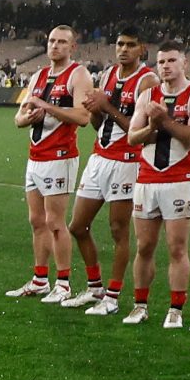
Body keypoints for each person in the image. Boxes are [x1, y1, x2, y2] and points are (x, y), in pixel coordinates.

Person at [122, 45, 190, 329]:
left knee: (176, 248)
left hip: (179, 180)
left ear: (185, 62)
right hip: (147, 180)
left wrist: (164, 121)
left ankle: (175, 308)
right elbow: (133, 138)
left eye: (172, 60)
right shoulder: (147, 95)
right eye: (161, 62)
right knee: (144, 246)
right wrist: (152, 128)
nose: (166, 66)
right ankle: (140, 304)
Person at [66, 31, 150, 315]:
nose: (123, 49)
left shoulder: (146, 81)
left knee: (118, 231)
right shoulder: (109, 74)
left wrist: (107, 107)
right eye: (120, 44)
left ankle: (112, 298)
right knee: (77, 226)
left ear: (142, 48)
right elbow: (100, 123)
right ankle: (95, 287)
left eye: (130, 44)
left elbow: (139, 132)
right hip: (99, 158)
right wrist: (95, 111)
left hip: (127, 161)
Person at [9, 27, 86, 300]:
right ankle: (40, 279)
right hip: (36, 156)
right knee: (36, 221)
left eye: (62, 42)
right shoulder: (38, 76)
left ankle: (63, 283)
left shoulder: (78, 74)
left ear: (72, 47)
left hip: (60, 157)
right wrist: (29, 118)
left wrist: (48, 108)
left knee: (55, 222)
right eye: (52, 40)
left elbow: (83, 116)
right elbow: (19, 118)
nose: (55, 46)